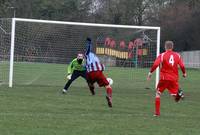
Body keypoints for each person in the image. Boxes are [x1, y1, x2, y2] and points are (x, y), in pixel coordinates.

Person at [147, 41, 187, 116]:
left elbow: (156, 64)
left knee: (158, 94)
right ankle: (180, 93)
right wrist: (184, 73)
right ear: (172, 47)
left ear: (165, 47)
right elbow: (182, 66)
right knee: (176, 98)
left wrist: (150, 73)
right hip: (174, 79)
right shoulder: (177, 55)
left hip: (164, 78)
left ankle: (157, 113)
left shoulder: (162, 55)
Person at [85, 37, 113, 107]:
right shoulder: (96, 58)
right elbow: (102, 67)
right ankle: (109, 96)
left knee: (89, 83)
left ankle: (93, 92)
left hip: (90, 73)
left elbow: (88, 49)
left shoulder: (87, 55)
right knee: (107, 86)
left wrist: (89, 42)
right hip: (98, 72)